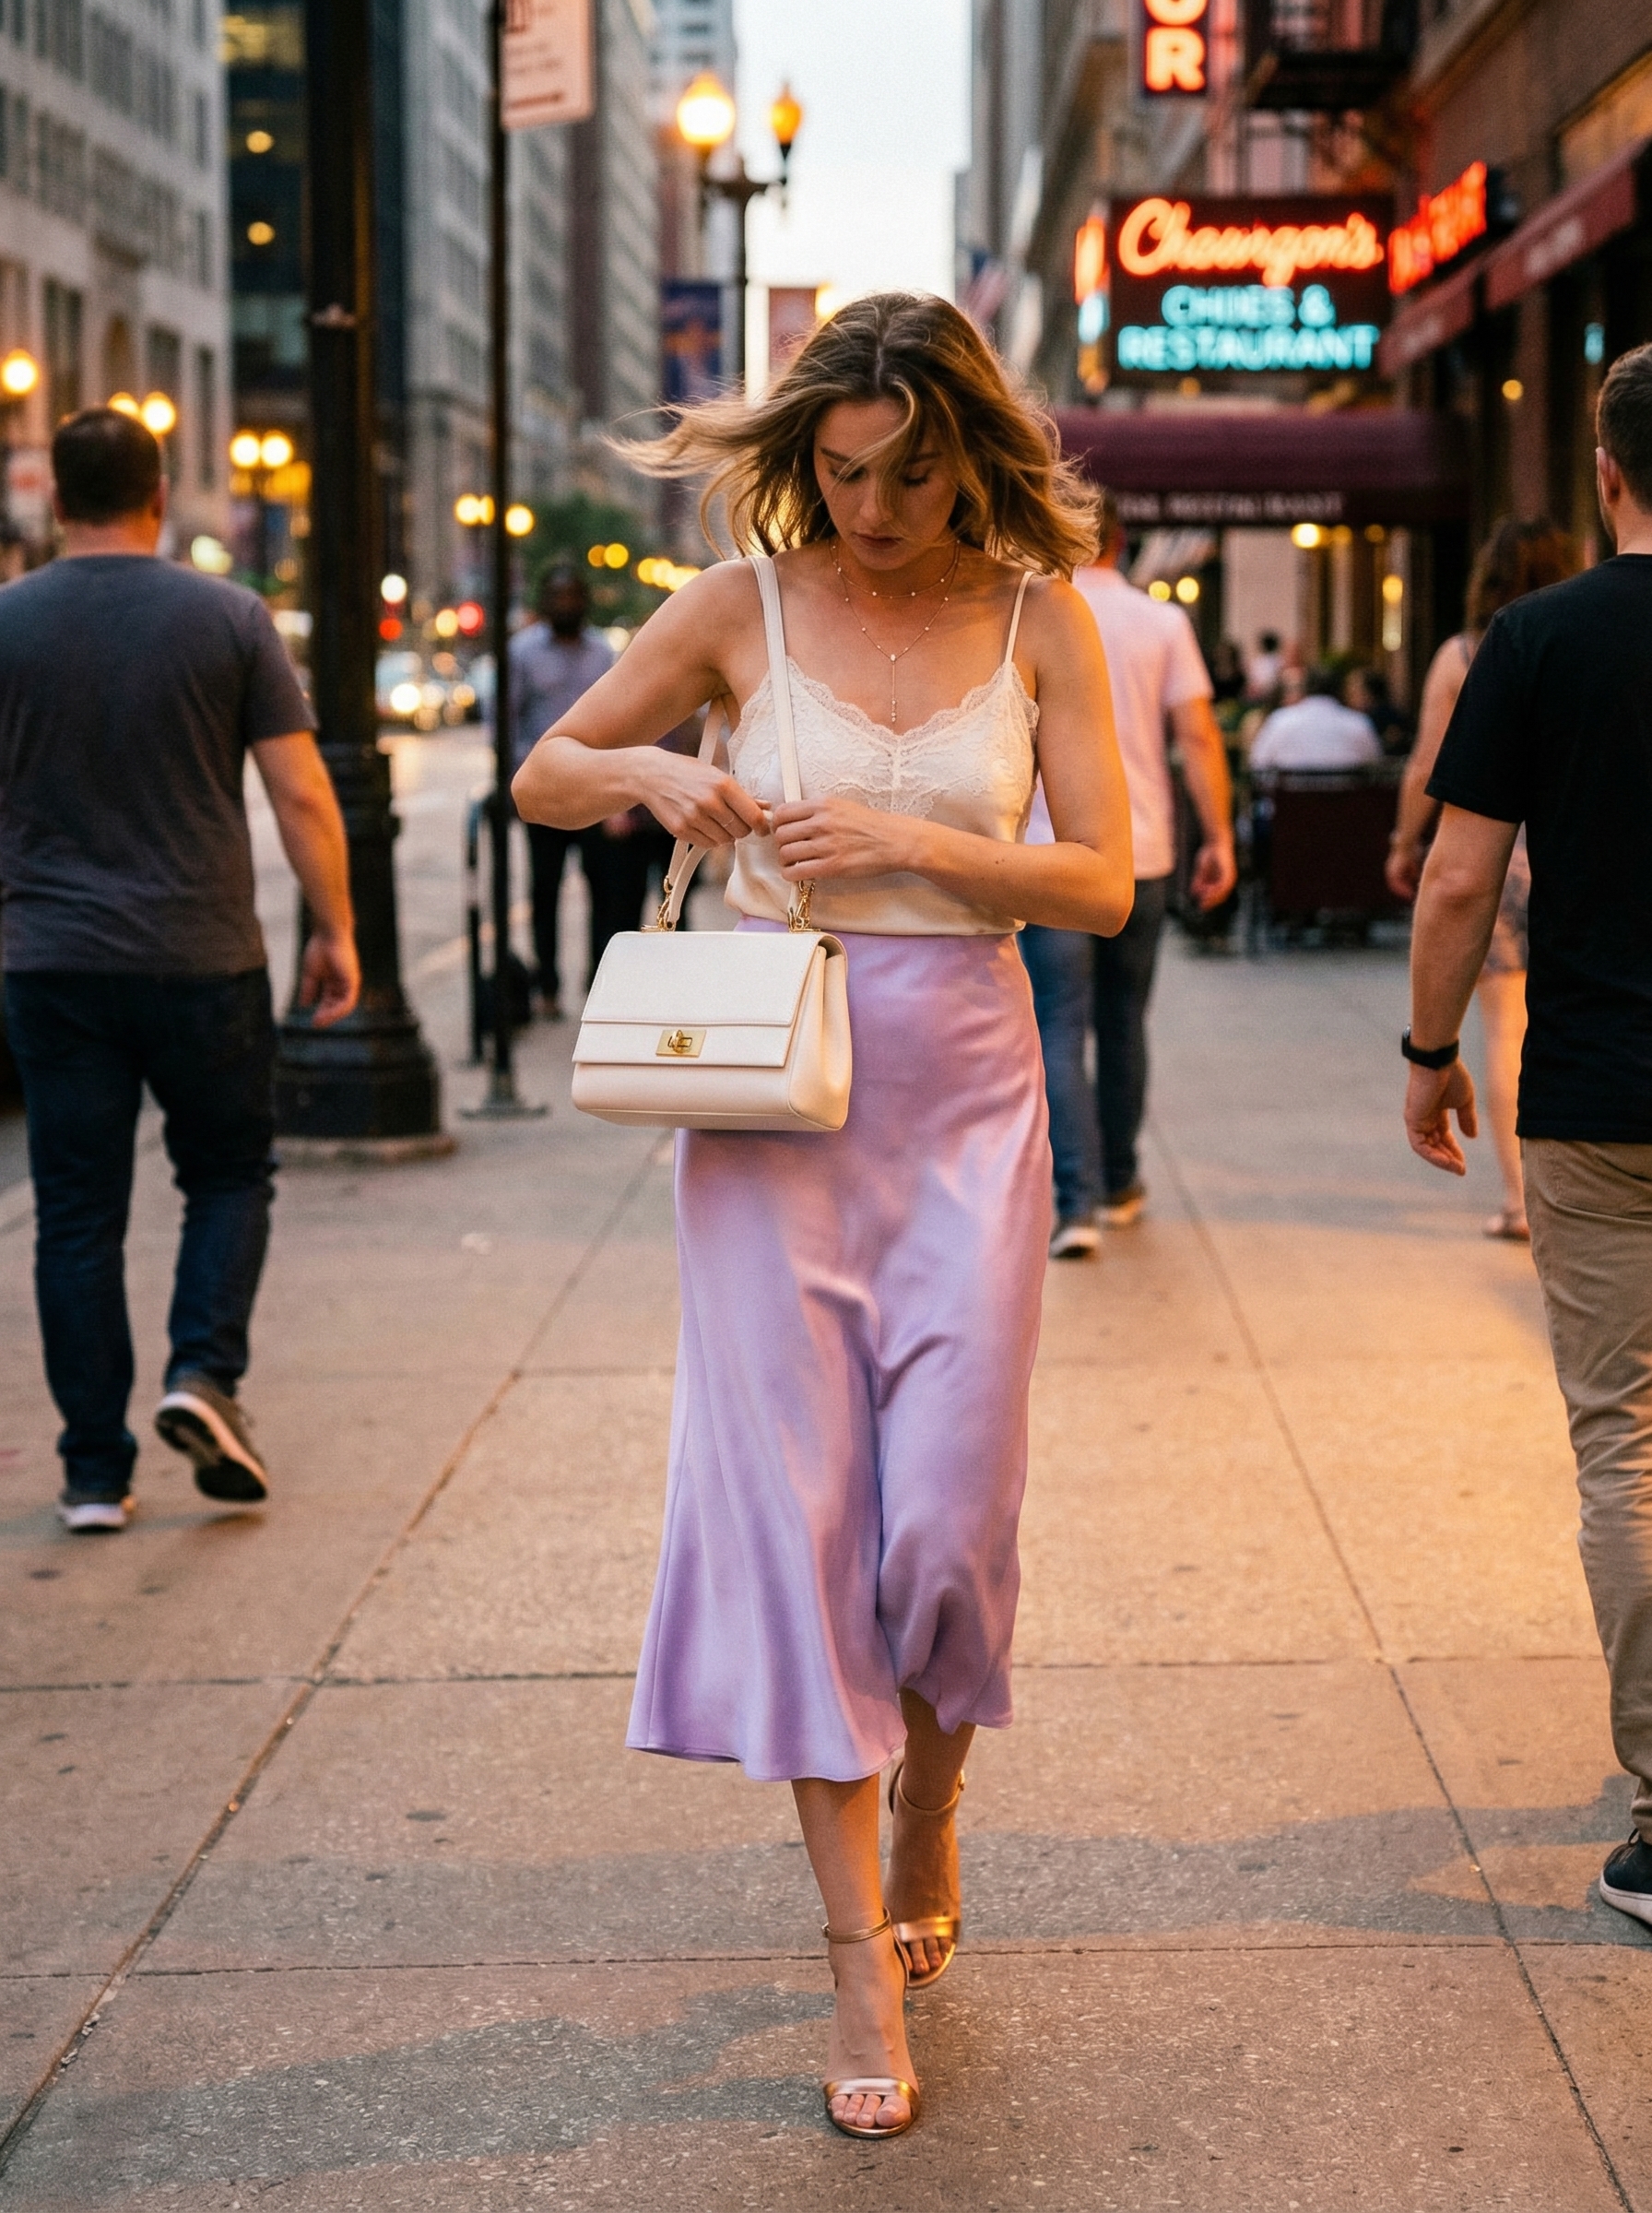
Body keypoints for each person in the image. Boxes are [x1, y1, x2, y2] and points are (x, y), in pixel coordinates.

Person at [513, 292, 1133, 2139]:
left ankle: (932, 1795)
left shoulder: (1041, 621)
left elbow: (1101, 881)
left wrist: (919, 846)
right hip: (769, 1100)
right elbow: (551, 770)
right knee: (795, 1521)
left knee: (946, 1521)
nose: (871, 510)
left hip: (963, 1090)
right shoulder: (737, 605)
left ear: (974, 455)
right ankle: (852, 1943)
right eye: (844, 474)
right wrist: (644, 771)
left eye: (911, 475)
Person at [0, 408, 359, 1532]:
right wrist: (336, 929)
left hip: (52, 961)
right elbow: (301, 793)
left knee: (75, 1212)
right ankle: (202, 1375)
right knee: (226, 1175)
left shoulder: (6, 623)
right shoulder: (228, 616)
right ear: (161, 495)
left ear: (55, 500)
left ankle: (94, 1473)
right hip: (203, 954)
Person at [1402, 343, 1652, 1936]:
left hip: (1594, 1096)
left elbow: (1450, 878)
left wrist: (1430, 1055)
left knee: (1624, 1442)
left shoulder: (1536, 640)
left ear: (1604, 472)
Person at [1022, 488, 1235, 1251]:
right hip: (1141, 853)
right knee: (1123, 1023)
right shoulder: (1162, 621)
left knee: (1057, 1025)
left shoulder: (1030, 615)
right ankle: (1119, 1181)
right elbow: (1200, 737)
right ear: (1120, 541)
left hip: (1048, 860)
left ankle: (1073, 1201)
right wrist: (1219, 837)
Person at [1386, 518, 1579, 1237]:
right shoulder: (1582, 638)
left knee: (1506, 1029)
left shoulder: (1465, 654)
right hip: (1567, 854)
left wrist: (1405, 843)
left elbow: (1427, 764)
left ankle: (1521, 1201)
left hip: (1495, 858)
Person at [508, 563, 617, 1013]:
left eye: (573, 595)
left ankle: (598, 985)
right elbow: (506, 721)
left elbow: (618, 722)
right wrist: (519, 779)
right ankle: (548, 986)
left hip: (595, 792)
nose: (566, 603)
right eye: (557, 595)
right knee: (545, 890)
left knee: (604, 889)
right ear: (544, 601)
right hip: (546, 793)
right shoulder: (522, 653)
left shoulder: (603, 653)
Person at [1248, 664, 1382, 769]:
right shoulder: (1358, 722)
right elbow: (1373, 765)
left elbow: (1258, 764)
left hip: (1290, 803)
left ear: (1306, 688)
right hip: (1345, 802)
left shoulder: (1281, 719)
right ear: (1339, 690)